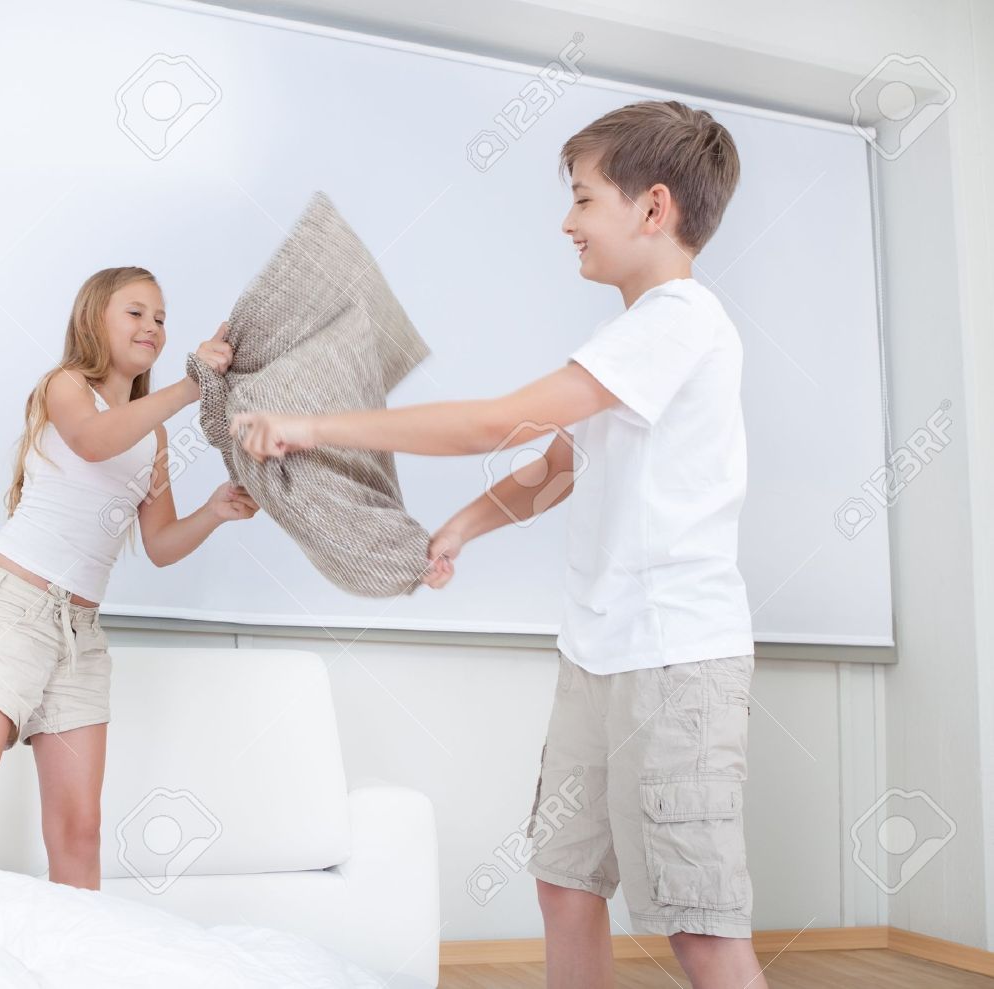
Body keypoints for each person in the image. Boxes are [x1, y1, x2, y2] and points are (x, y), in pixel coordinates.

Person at [231, 100, 766, 989]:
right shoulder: (625, 340)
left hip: (676, 664)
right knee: (564, 882)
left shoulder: (682, 322)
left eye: (585, 200)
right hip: (599, 653)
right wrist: (463, 529)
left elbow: (492, 425)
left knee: (699, 927)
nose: (568, 221)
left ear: (654, 208)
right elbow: (557, 465)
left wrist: (311, 425)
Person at [0, 266, 258, 902]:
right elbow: (94, 442)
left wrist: (215, 509)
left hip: (81, 634)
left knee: (80, 833)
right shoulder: (66, 387)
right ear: (94, 317)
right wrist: (191, 387)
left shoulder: (151, 436)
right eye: (136, 312)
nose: (152, 325)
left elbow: (160, 545)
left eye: (160, 317)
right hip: (9, 611)